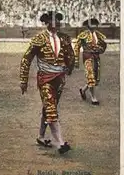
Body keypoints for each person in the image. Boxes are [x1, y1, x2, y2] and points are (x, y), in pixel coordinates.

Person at [19, 11, 75, 154]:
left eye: (58, 20)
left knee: (50, 106)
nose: (57, 23)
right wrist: (23, 79)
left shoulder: (65, 38)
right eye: (54, 21)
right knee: (51, 108)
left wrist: (69, 67)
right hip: (45, 78)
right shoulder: (39, 38)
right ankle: (60, 142)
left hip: (60, 78)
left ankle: (41, 136)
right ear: (47, 22)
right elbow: (27, 58)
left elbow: (70, 55)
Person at [74, 18, 107, 105]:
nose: (94, 26)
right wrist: (76, 60)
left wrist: (100, 49)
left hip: (96, 57)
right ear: (88, 26)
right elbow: (76, 47)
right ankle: (93, 98)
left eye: (95, 24)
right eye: (92, 24)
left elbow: (103, 46)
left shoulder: (98, 35)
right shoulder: (83, 35)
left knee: (95, 78)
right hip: (87, 57)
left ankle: (83, 90)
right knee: (91, 77)